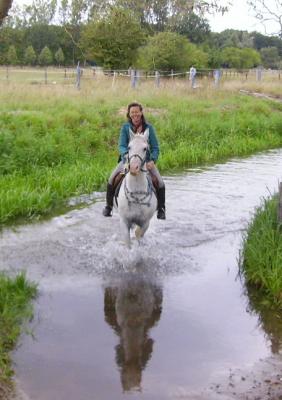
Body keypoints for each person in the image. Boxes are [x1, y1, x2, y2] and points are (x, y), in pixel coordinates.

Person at [102, 102, 166, 220]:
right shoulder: (125, 128)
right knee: (112, 179)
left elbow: (155, 147)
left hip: (146, 162)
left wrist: (153, 160)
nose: (135, 114)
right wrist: (127, 157)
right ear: (129, 114)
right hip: (127, 161)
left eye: (137, 112)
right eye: (132, 112)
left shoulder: (149, 128)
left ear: (141, 113)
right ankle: (109, 206)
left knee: (160, 182)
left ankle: (161, 209)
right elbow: (121, 145)